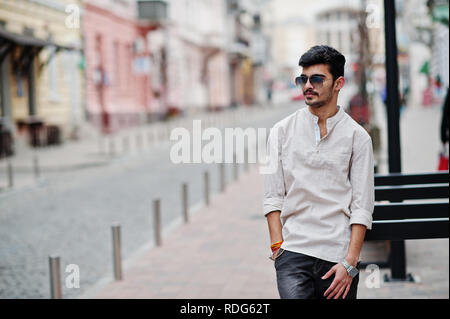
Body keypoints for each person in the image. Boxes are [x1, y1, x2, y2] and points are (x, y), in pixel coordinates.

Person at [263, 45, 374, 299]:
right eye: (303, 79)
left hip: (338, 258)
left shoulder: (358, 138)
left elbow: (362, 206)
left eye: (316, 79)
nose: (307, 86)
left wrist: (350, 263)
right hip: (293, 254)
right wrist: (278, 248)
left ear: (339, 83)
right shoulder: (281, 132)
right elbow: (272, 196)